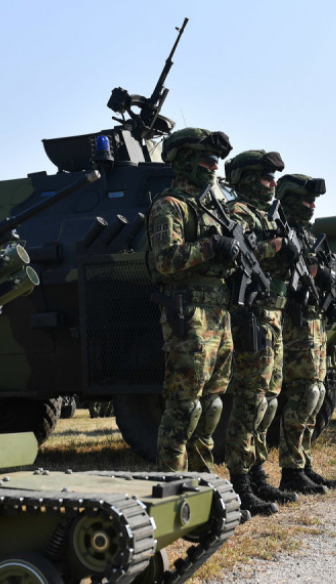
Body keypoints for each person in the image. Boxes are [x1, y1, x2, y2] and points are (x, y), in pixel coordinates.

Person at [147, 127, 237, 474]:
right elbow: (165, 261)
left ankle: (202, 480)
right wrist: (211, 246)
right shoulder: (169, 206)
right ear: (185, 160)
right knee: (184, 408)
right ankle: (172, 482)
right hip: (189, 314)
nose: (214, 166)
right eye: (207, 159)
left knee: (212, 406)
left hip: (218, 313)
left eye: (216, 160)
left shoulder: (213, 209)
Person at [222, 149, 295, 516]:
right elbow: (238, 253)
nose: (272, 184)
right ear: (248, 179)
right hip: (251, 315)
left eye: (274, 178)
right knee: (250, 402)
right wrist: (277, 246)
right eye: (266, 177)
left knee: (269, 402)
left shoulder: (269, 215)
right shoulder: (237, 212)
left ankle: (257, 473)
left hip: (273, 314)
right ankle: (239, 481)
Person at [275, 173, 336, 490]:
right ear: (289, 199)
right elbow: (285, 275)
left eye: (314, 201)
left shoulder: (306, 235)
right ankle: (291, 472)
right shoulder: (281, 232)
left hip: (315, 322)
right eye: (306, 200)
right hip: (295, 321)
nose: (312, 206)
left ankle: (303, 463)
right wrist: (317, 272)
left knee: (318, 393)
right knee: (304, 394)